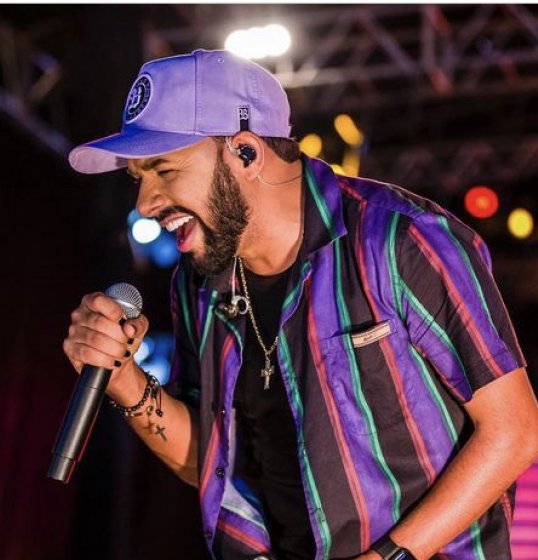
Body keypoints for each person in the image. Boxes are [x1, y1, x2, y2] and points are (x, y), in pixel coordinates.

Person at [64, 49, 538, 560]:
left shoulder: (400, 239)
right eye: (139, 178)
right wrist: (124, 379)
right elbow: (213, 462)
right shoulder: (196, 284)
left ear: (246, 153)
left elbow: (514, 430)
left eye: (164, 170)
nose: (145, 204)